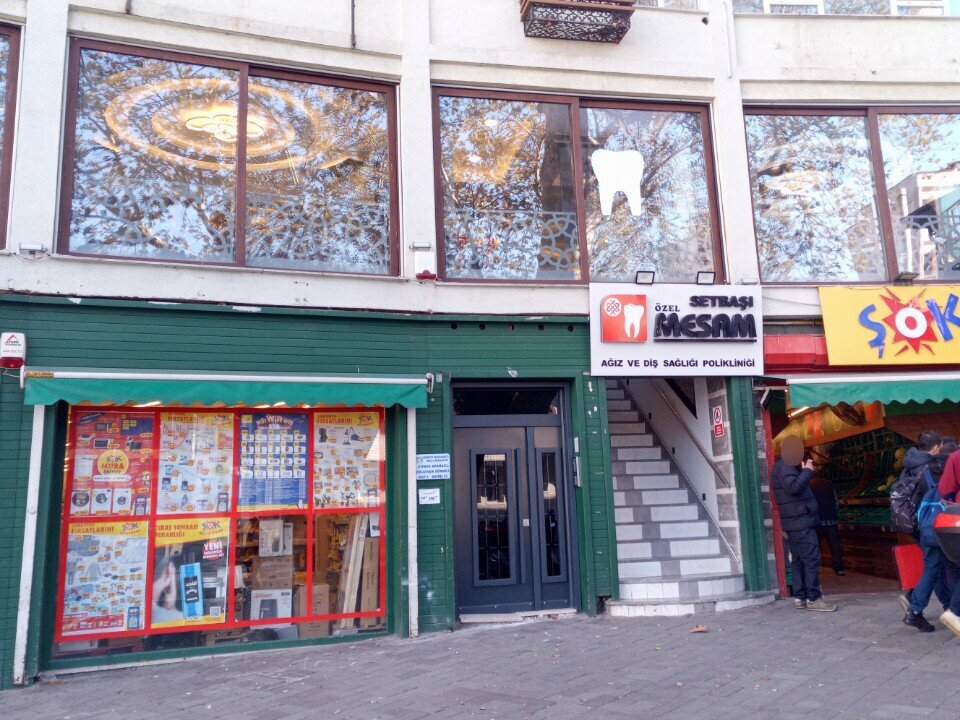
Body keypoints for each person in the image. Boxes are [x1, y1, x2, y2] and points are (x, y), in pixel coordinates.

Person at [772, 435, 837, 612]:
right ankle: (814, 599)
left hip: (796, 522)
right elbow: (793, 487)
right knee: (811, 559)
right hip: (800, 522)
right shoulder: (784, 467)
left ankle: (800, 597)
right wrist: (807, 471)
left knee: (799, 560)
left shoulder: (782, 467)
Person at [901, 429, 944, 632]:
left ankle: (916, 600)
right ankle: (915, 609)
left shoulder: (910, 464)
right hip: (930, 524)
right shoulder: (930, 468)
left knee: (935, 566)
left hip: (915, 522)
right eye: (940, 447)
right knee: (933, 567)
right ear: (935, 447)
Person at [936, 440, 960, 638]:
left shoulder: (956, 458)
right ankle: (955, 612)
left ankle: (955, 611)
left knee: (955, 569)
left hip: (956, 521)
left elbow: (944, 489)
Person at [809, 445, 845, 576]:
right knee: (834, 546)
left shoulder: (808, 486)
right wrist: (835, 514)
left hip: (817, 521)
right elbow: (836, 502)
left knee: (815, 546)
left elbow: (808, 504)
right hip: (831, 520)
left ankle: (815, 569)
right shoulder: (829, 484)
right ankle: (839, 568)